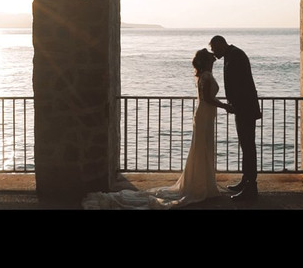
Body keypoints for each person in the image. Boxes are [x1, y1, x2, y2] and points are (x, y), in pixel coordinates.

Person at [81, 48, 226, 209]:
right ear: (207, 61)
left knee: (203, 148)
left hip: (205, 115)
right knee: (202, 149)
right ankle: (201, 185)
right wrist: (226, 106)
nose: (214, 59)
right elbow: (208, 99)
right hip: (205, 115)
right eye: (211, 58)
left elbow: (208, 94)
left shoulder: (205, 75)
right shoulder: (206, 76)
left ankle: (203, 183)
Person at [209, 35, 261, 200]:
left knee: (248, 146)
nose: (214, 53)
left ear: (221, 45)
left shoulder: (235, 56)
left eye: (214, 49)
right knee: (245, 145)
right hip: (243, 108)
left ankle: (251, 187)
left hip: (244, 108)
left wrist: (234, 105)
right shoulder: (233, 54)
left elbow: (240, 85)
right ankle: (246, 181)